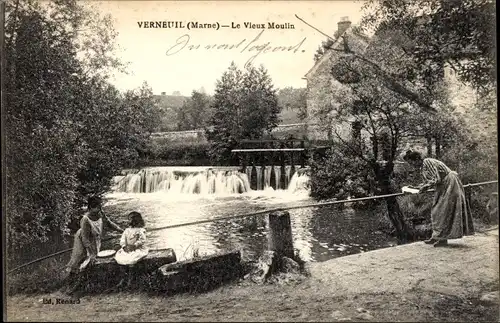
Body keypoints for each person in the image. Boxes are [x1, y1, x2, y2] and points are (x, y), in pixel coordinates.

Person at [403, 150, 474, 247]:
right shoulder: (423, 167)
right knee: (437, 210)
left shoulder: (427, 162)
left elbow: (436, 179)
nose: (412, 165)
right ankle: (437, 236)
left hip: (450, 183)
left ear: (417, 159)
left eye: (412, 163)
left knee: (441, 211)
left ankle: (442, 239)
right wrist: (416, 187)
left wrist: (424, 187)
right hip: (443, 186)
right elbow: (429, 181)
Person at [65, 196, 124, 276]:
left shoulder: (100, 213)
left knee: (94, 259)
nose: (99, 209)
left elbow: (109, 223)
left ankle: (88, 276)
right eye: (96, 207)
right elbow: (85, 239)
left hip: (95, 239)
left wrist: (122, 230)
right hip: (83, 240)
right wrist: (91, 253)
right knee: (81, 258)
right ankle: (73, 277)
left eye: (99, 207)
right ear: (90, 208)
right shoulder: (85, 219)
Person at [114, 212, 149, 289]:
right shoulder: (126, 230)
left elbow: (142, 240)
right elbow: (122, 240)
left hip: (137, 249)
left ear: (135, 220)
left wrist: (135, 245)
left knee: (131, 260)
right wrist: (124, 246)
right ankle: (123, 279)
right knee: (121, 259)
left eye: (129, 219)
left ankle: (130, 280)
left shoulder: (140, 230)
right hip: (127, 249)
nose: (127, 221)